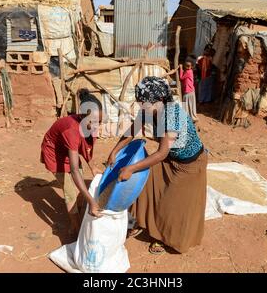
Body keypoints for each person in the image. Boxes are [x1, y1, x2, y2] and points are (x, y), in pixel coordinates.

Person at [106, 76, 208, 255]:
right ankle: (138, 221)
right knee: (143, 182)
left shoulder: (173, 115)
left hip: (189, 165)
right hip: (170, 159)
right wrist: (114, 151)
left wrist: (130, 168)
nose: (140, 106)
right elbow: (132, 131)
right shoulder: (149, 110)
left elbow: (161, 153)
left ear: (159, 100)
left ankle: (168, 239)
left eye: (143, 103)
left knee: (172, 203)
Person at [40, 89, 104, 237]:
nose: (96, 126)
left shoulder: (88, 125)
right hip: (56, 154)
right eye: (93, 122)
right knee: (70, 192)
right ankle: (75, 228)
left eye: (99, 122)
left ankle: (79, 212)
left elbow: (86, 145)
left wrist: (92, 166)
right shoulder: (71, 130)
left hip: (69, 151)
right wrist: (91, 200)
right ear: (82, 117)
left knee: (78, 186)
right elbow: (74, 170)